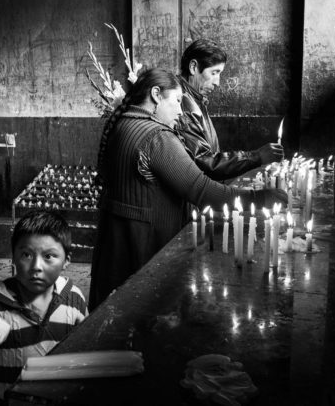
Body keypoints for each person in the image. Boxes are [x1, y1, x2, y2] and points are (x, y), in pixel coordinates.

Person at [89, 68, 287, 309]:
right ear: (156, 95)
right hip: (143, 248)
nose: (181, 112)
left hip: (116, 248)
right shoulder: (156, 137)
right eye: (177, 101)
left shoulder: (122, 124)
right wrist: (259, 198)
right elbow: (203, 192)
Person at [0, 210, 88, 404]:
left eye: (49, 256)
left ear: (66, 261)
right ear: (12, 257)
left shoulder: (74, 299)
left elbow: (84, 353)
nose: (36, 266)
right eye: (26, 254)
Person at [177, 38, 284, 181]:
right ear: (193, 67)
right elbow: (204, 162)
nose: (217, 82)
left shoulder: (195, 98)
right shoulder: (183, 102)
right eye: (214, 72)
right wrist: (256, 157)